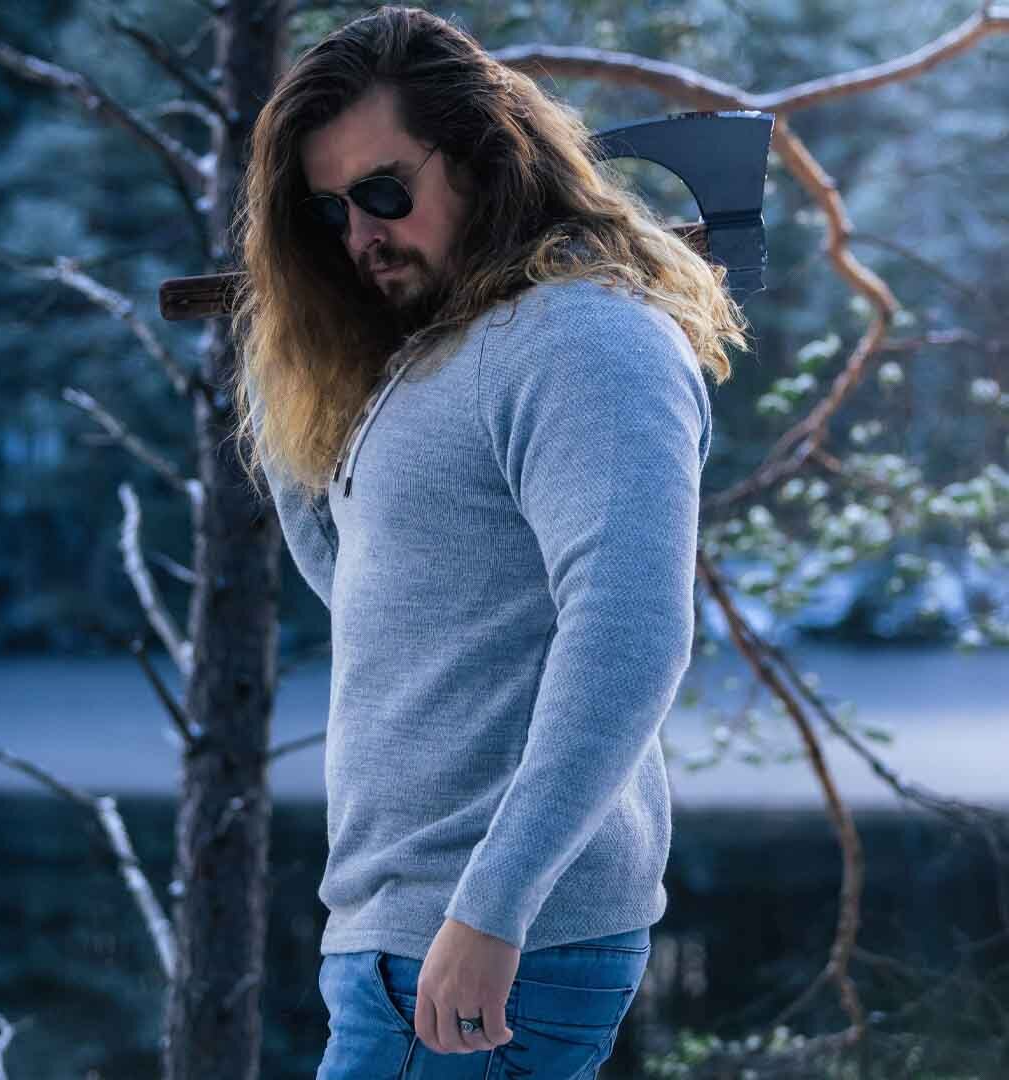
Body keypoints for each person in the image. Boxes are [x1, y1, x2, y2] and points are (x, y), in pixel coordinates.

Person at [228, 6, 750, 1077]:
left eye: (384, 193)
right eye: (327, 212)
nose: (360, 235)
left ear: (481, 157)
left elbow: (630, 636)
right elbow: (389, 604)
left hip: (490, 941)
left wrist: (490, 911)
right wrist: (286, 356)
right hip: (403, 931)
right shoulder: (446, 354)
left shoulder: (584, 338)